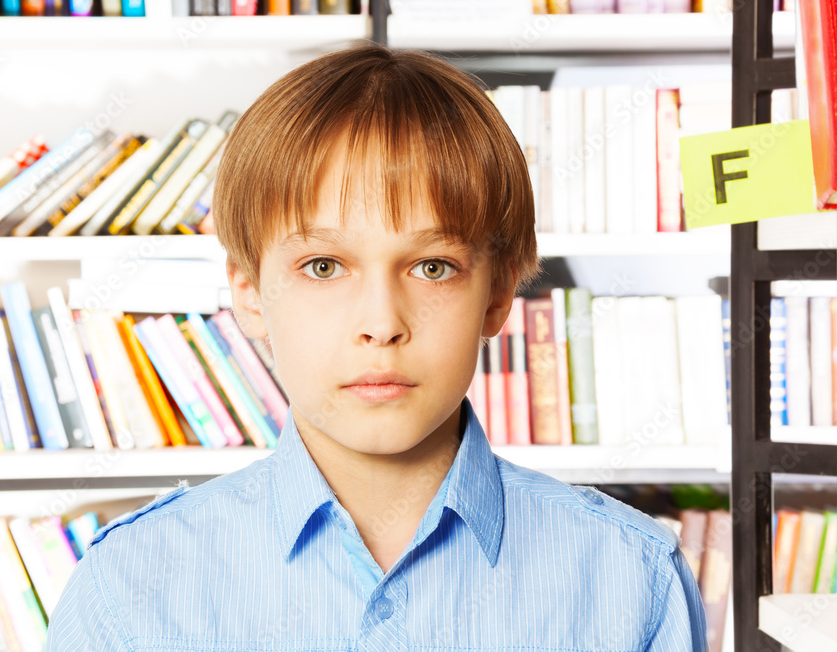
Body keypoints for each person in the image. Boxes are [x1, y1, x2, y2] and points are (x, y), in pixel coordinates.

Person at [45, 43, 707, 651]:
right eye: (325, 267)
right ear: (249, 293)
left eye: (432, 267)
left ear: (499, 294)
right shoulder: (129, 586)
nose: (381, 323)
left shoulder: (631, 577)